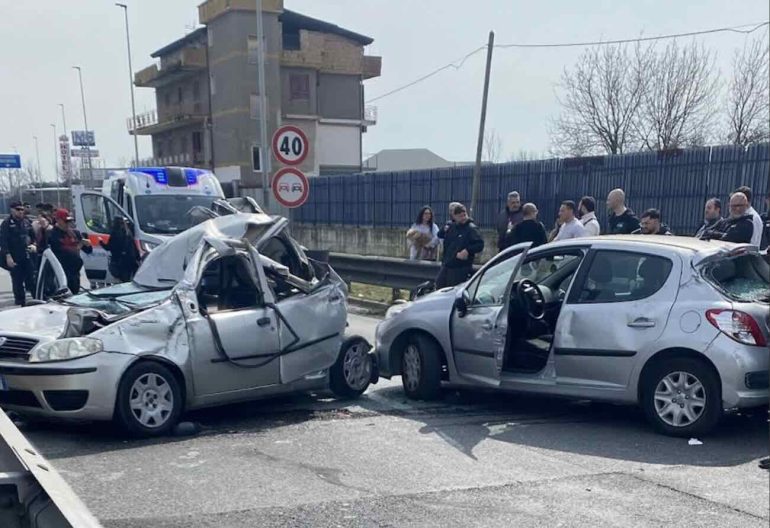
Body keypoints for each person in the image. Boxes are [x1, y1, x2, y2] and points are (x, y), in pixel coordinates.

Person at [435, 204, 484, 289]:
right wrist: (444, 229)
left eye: (464, 215)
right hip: (447, 264)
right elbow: (441, 235)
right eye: (460, 216)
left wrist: (467, 250)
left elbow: (479, 244)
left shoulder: (471, 228)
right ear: (454, 217)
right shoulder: (452, 227)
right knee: (439, 286)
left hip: (461, 267)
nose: (463, 218)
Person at [0, 201, 37, 306]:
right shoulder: (7, 223)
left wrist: (34, 245)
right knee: (17, 281)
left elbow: (33, 236)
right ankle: (20, 302)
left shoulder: (26, 222)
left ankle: (36, 300)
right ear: (12, 210)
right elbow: (3, 242)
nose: (21, 211)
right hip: (14, 256)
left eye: (22, 209)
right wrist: (8, 256)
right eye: (18, 209)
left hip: (27, 255)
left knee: (32, 279)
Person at [49, 209, 92, 294]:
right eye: (66, 221)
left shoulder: (75, 233)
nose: (68, 224)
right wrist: (78, 246)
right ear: (58, 220)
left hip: (75, 272)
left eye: (69, 221)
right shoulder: (51, 234)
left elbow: (88, 250)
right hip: (61, 273)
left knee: (75, 294)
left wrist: (87, 244)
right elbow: (60, 251)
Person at [100, 217, 140, 282]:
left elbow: (108, 247)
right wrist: (138, 258)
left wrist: (100, 242)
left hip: (120, 261)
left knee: (121, 281)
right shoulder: (128, 233)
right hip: (130, 260)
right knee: (127, 279)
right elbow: (134, 247)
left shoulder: (115, 234)